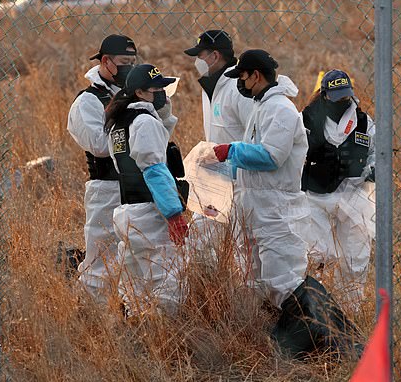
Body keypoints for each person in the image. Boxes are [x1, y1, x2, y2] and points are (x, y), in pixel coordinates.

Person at [215, 50, 360, 358]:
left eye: (242, 77)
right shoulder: (261, 106)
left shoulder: (280, 109)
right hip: (258, 207)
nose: (240, 84)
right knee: (260, 282)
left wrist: (231, 150)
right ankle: (292, 346)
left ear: (256, 75)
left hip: (276, 209)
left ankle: (333, 348)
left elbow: (270, 156)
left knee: (285, 283)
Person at [104, 64, 188, 316]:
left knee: (133, 287)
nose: (162, 93)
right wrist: (174, 214)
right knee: (168, 283)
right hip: (149, 213)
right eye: (157, 88)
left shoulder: (119, 123)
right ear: (140, 93)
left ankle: (135, 340)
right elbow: (153, 170)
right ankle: (163, 340)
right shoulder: (143, 122)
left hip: (127, 211)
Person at [67, 34, 138, 301]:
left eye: (133, 62)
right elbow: (98, 145)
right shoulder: (88, 100)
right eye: (124, 62)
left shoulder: (130, 92)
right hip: (106, 186)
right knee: (101, 262)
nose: (129, 67)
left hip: (136, 185)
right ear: (106, 61)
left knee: (135, 256)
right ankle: (88, 318)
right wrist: (120, 112)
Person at [301, 69, 376, 308]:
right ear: (324, 95)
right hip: (315, 194)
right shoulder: (307, 118)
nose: (342, 101)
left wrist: (373, 170)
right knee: (317, 256)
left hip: (354, 194)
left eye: (345, 96)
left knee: (356, 258)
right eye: (336, 97)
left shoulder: (363, 122)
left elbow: (377, 153)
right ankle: (312, 309)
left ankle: (349, 311)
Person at [183, 30, 254, 252]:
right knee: (199, 244)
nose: (197, 61)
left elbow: (255, 134)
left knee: (244, 247)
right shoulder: (210, 85)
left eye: (200, 55)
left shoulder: (238, 88)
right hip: (214, 177)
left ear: (215, 56)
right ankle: (206, 286)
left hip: (241, 179)